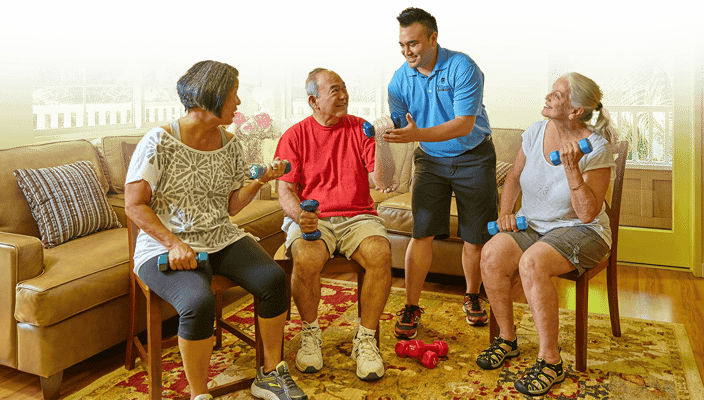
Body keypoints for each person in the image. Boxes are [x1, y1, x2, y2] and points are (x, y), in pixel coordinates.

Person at [124, 60, 307, 400]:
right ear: (212, 95)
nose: (239, 103)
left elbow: (231, 207)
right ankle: (199, 394)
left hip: (220, 237)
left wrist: (258, 181)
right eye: (235, 95)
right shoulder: (159, 141)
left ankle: (269, 373)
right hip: (164, 246)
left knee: (272, 279)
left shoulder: (230, 143)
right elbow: (134, 205)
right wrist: (173, 242)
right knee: (198, 300)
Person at [476, 72, 617, 396]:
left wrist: (570, 169)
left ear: (575, 110)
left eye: (557, 94)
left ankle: (551, 361)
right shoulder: (536, 131)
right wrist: (506, 213)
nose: (548, 97)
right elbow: (513, 177)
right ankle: (508, 339)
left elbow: (587, 213)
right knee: (492, 255)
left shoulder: (595, 148)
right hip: (535, 223)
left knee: (532, 263)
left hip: (582, 230)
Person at [275, 67, 395, 382]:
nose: (343, 96)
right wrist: (299, 215)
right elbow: (285, 189)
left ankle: (365, 340)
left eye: (344, 89)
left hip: (359, 215)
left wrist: (380, 142)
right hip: (315, 217)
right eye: (335, 90)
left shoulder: (361, 128)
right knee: (305, 256)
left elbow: (382, 180)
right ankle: (311, 333)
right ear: (314, 100)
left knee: (381, 254)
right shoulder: (295, 135)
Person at [384, 7, 496, 338]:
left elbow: (463, 125)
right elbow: (399, 121)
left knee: (475, 236)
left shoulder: (463, 68)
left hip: (474, 156)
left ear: (433, 38)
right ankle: (411, 304)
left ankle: (472, 296)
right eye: (402, 45)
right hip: (431, 161)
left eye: (414, 44)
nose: (407, 52)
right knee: (422, 234)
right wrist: (378, 129)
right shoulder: (399, 79)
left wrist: (415, 135)